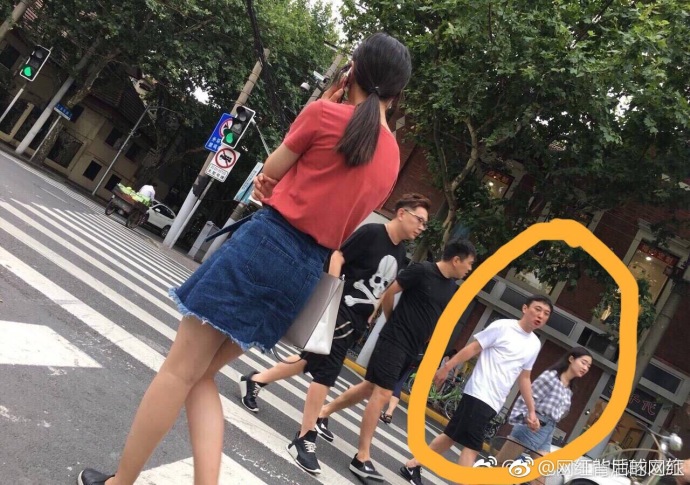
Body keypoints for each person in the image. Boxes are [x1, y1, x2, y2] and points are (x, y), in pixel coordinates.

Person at [77, 32, 412, 485]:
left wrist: (307, 135)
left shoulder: (324, 114)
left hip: (267, 243)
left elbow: (271, 172)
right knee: (200, 377)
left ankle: (121, 482)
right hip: (304, 273)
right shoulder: (392, 160)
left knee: (179, 371)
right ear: (396, 93)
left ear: (352, 70)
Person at [237, 193, 431, 474]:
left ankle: (254, 380)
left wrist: (373, 312)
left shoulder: (401, 254)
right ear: (402, 213)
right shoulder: (372, 233)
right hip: (339, 310)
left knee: (310, 361)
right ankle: (304, 437)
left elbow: (381, 288)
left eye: (424, 223)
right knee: (327, 373)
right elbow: (338, 255)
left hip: (357, 320)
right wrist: (332, 291)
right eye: (420, 220)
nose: (421, 227)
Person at [316, 239, 477, 481]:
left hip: (412, 348)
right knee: (383, 394)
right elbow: (390, 292)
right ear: (456, 259)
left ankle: (323, 412)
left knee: (368, 388)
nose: (470, 269)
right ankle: (362, 457)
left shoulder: (450, 287)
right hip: (394, 340)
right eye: (469, 263)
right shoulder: (422, 270)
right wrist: (392, 320)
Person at [400, 294, 552, 485]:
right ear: (524, 308)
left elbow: (524, 377)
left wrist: (531, 411)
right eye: (537, 309)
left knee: (450, 437)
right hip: (479, 393)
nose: (541, 315)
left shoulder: (534, 344)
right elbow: (473, 348)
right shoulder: (502, 327)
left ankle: (413, 465)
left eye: (546, 313)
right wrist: (447, 367)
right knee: (472, 447)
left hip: (495, 401)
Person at [496, 347, 593, 485]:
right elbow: (528, 396)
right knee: (501, 466)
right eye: (583, 362)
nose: (585, 368)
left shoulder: (569, 389)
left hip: (548, 431)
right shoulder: (551, 377)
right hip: (533, 426)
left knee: (539, 477)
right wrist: (528, 417)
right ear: (571, 359)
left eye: (588, 366)